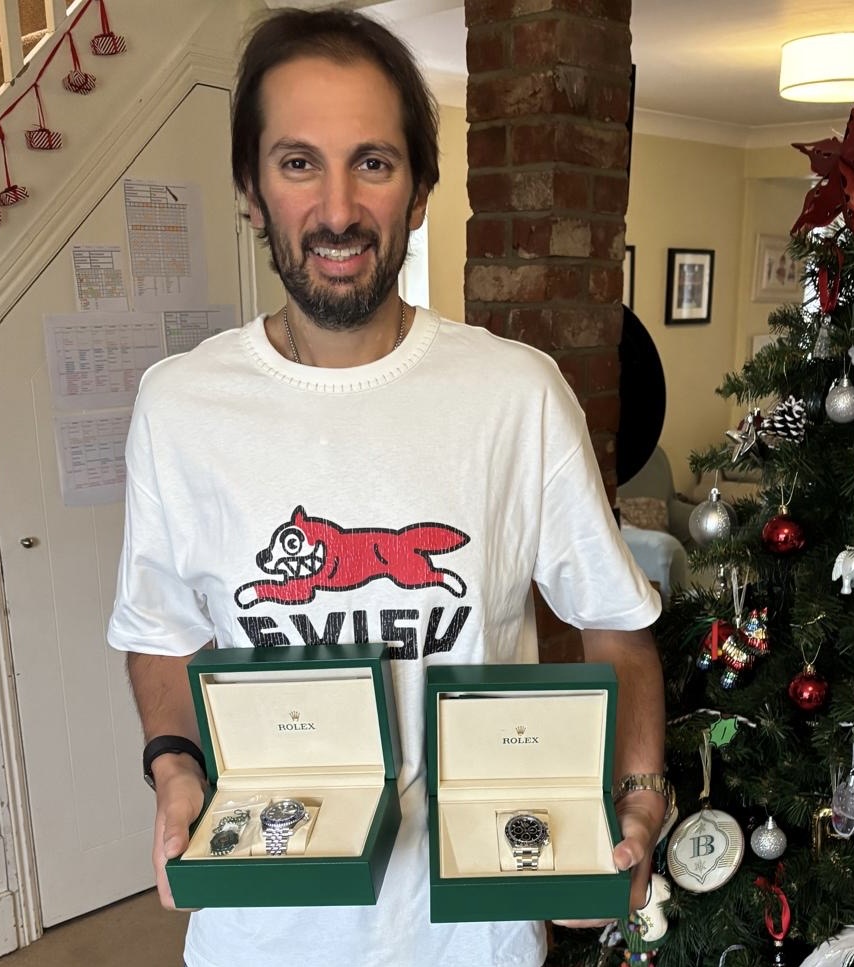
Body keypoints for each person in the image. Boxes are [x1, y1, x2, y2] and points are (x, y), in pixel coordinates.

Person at [107, 8, 667, 967]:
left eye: (371, 162)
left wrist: (637, 799)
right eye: (297, 163)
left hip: (473, 935)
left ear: (417, 193)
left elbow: (614, 625)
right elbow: (159, 632)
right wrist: (175, 766)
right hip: (260, 932)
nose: (336, 211)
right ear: (250, 191)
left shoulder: (514, 393)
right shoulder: (179, 405)